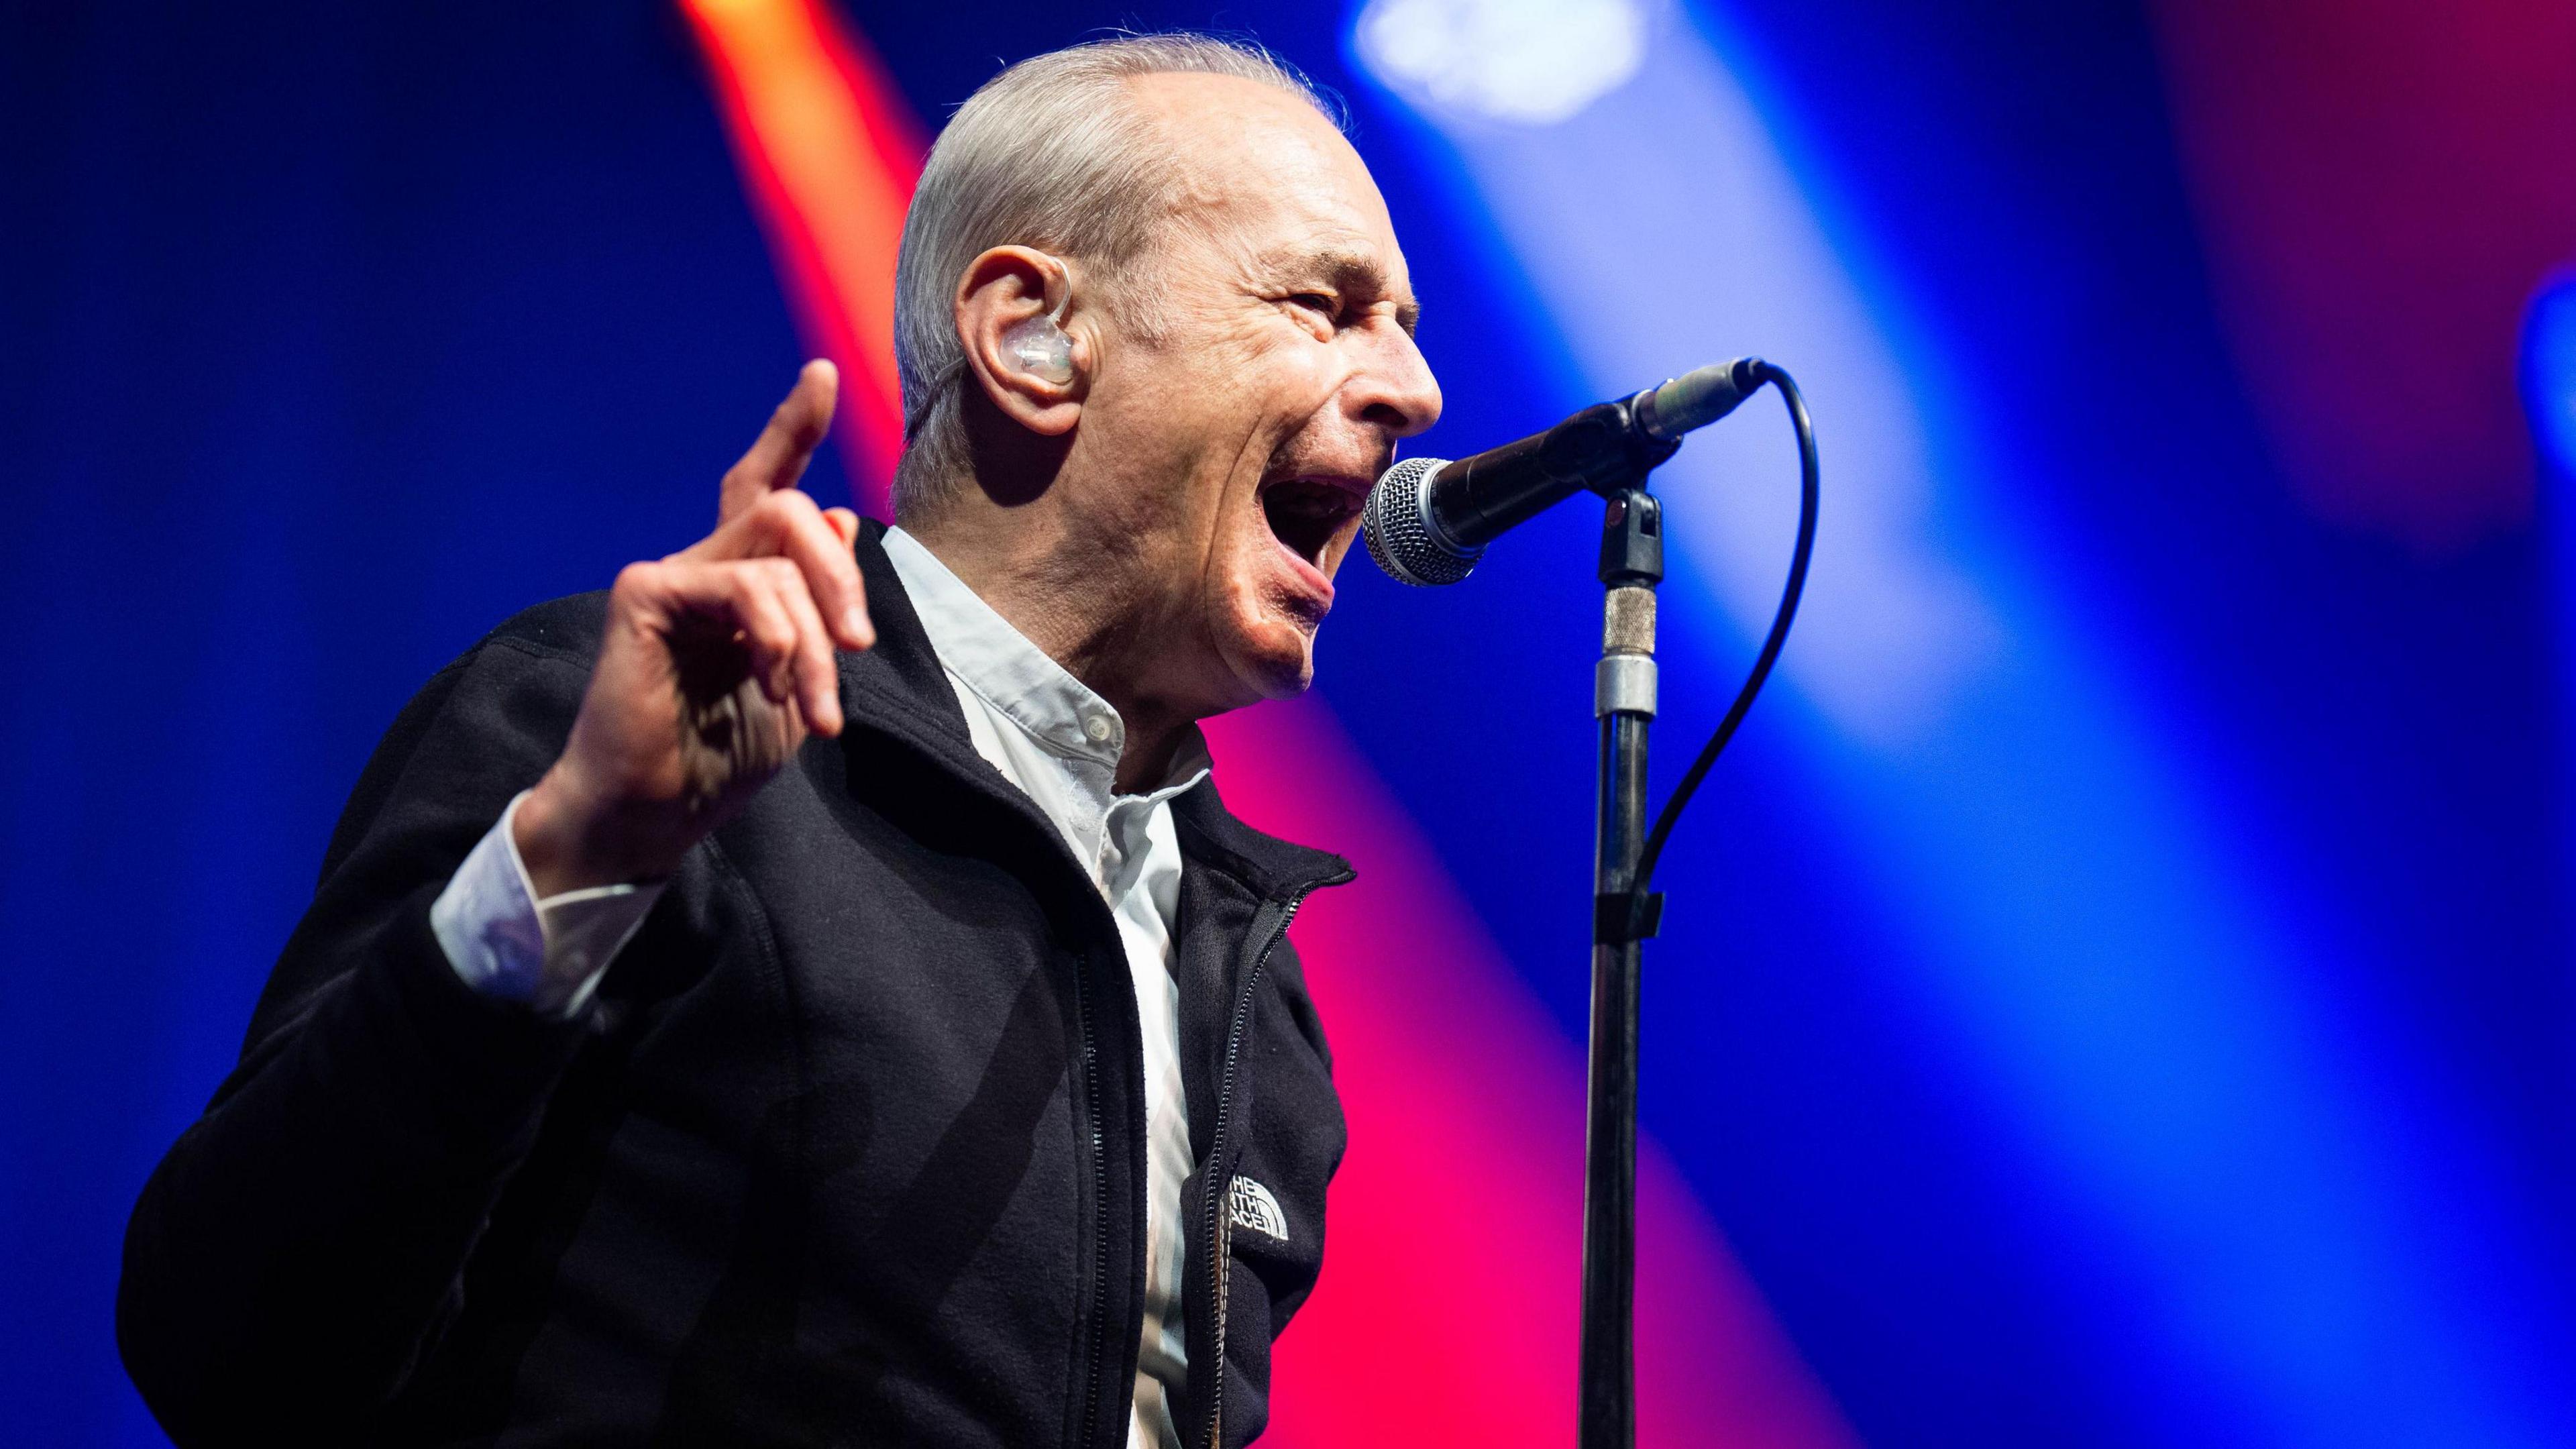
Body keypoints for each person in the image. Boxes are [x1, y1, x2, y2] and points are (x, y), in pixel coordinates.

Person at [115, 33, 1440, 1449]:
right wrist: (579, 859)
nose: (1414, 390)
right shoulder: (620, 735)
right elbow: (232, 1352)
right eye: (1325, 305)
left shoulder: (1253, 972)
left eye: (1406, 325)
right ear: (1033, 339)